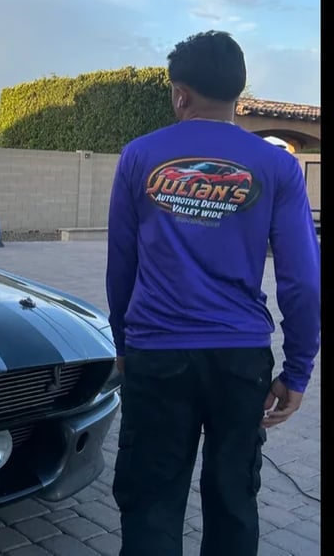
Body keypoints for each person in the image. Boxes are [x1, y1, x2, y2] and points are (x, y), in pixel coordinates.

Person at [105, 30, 320, 556]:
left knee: (151, 504)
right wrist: (297, 371)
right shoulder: (278, 167)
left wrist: (123, 345)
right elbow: (303, 280)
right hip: (239, 361)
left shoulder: (139, 156)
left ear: (181, 94)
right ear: (237, 93)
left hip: (157, 354)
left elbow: (121, 266)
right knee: (233, 501)